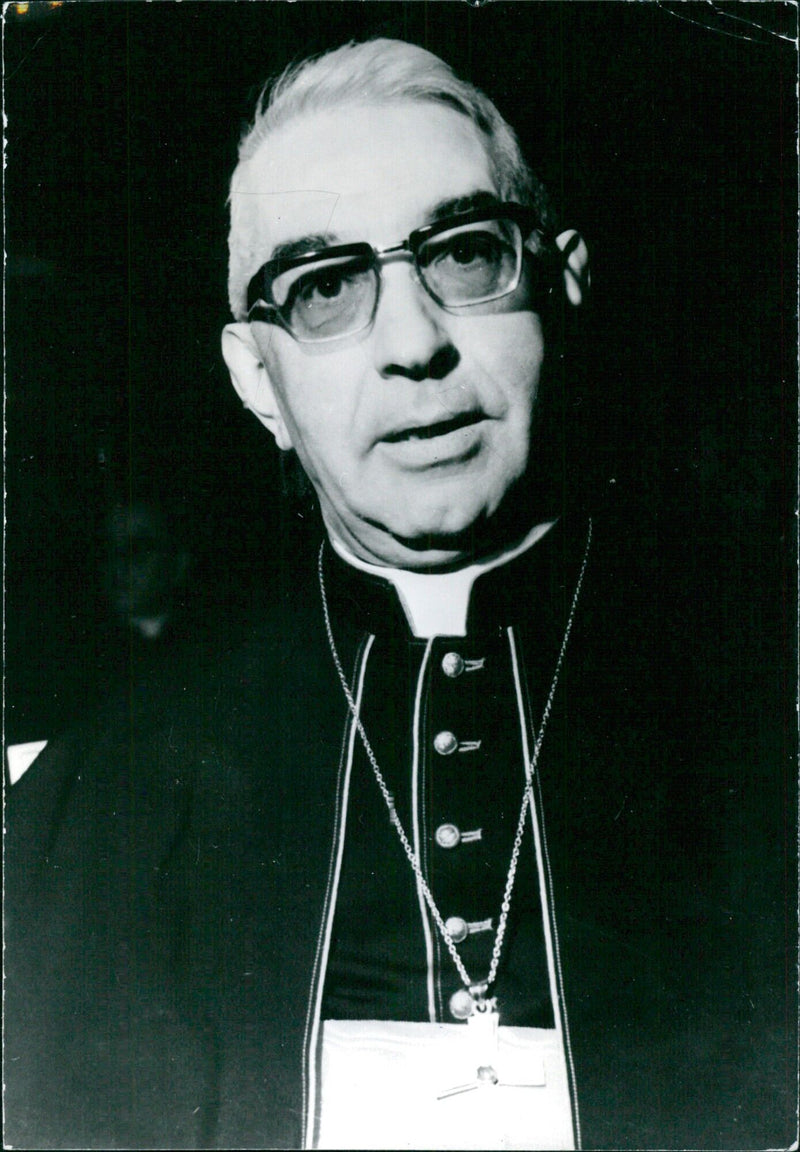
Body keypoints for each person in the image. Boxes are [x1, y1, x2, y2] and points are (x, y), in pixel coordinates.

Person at [5, 38, 794, 1151]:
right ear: (253, 378)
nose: (413, 345)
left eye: (465, 258)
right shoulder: (97, 806)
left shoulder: (765, 702)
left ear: (562, 283)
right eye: (325, 289)